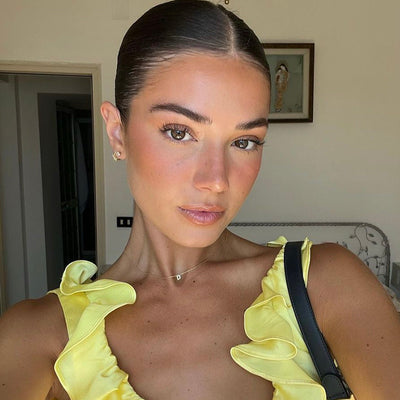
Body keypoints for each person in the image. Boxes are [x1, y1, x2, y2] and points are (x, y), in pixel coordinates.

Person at [1, 1, 399, 399]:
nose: (216, 180)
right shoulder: (36, 335)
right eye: (179, 132)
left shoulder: (325, 284)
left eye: (245, 141)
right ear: (117, 132)